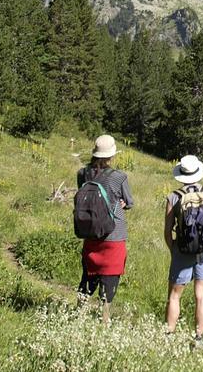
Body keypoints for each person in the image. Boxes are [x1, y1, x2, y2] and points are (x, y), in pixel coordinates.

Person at [164, 154, 203, 346]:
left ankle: (169, 336)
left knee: (174, 296)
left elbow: (167, 232)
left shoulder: (174, 197)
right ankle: (198, 338)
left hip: (182, 251)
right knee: (202, 295)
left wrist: (174, 249)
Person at [77, 134, 134, 324]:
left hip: (90, 231)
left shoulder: (82, 173)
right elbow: (130, 203)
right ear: (111, 155)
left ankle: (79, 313)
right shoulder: (118, 177)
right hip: (113, 233)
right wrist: (122, 203)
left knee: (88, 273)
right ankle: (105, 317)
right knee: (110, 275)